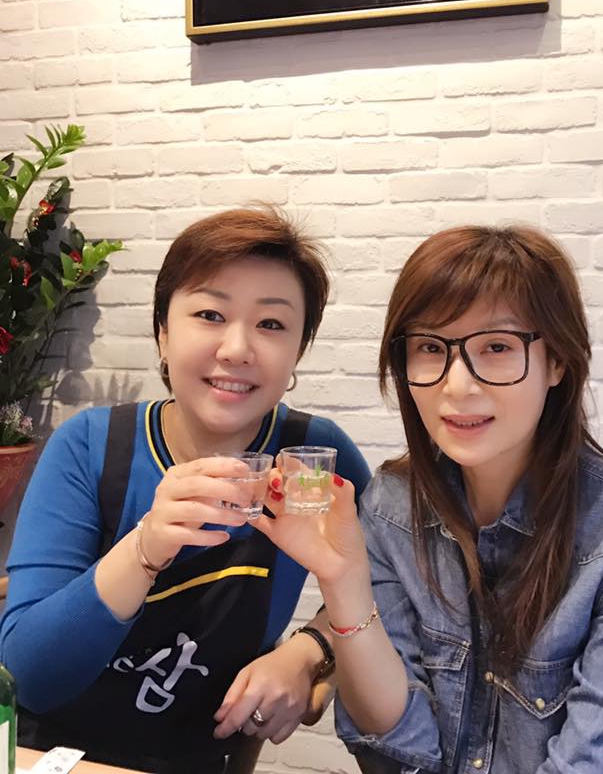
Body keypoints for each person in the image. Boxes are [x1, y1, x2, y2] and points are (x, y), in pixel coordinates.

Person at [245, 224, 603, 774]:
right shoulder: (391, 508)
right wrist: (343, 582)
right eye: (430, 348)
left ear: (558, 361)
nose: (458, 386)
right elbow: (396, 750)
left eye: (496, 347)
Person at [0, 207, 371, 774]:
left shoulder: (314, 457)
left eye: (272, 324)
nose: (237, 348)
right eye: (209, 314)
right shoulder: (92, 447)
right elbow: (30, 676)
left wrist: (308, 651)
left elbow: (392, 582)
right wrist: (145, 547)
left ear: (298, 350)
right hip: (56, 756)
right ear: (163, 332)